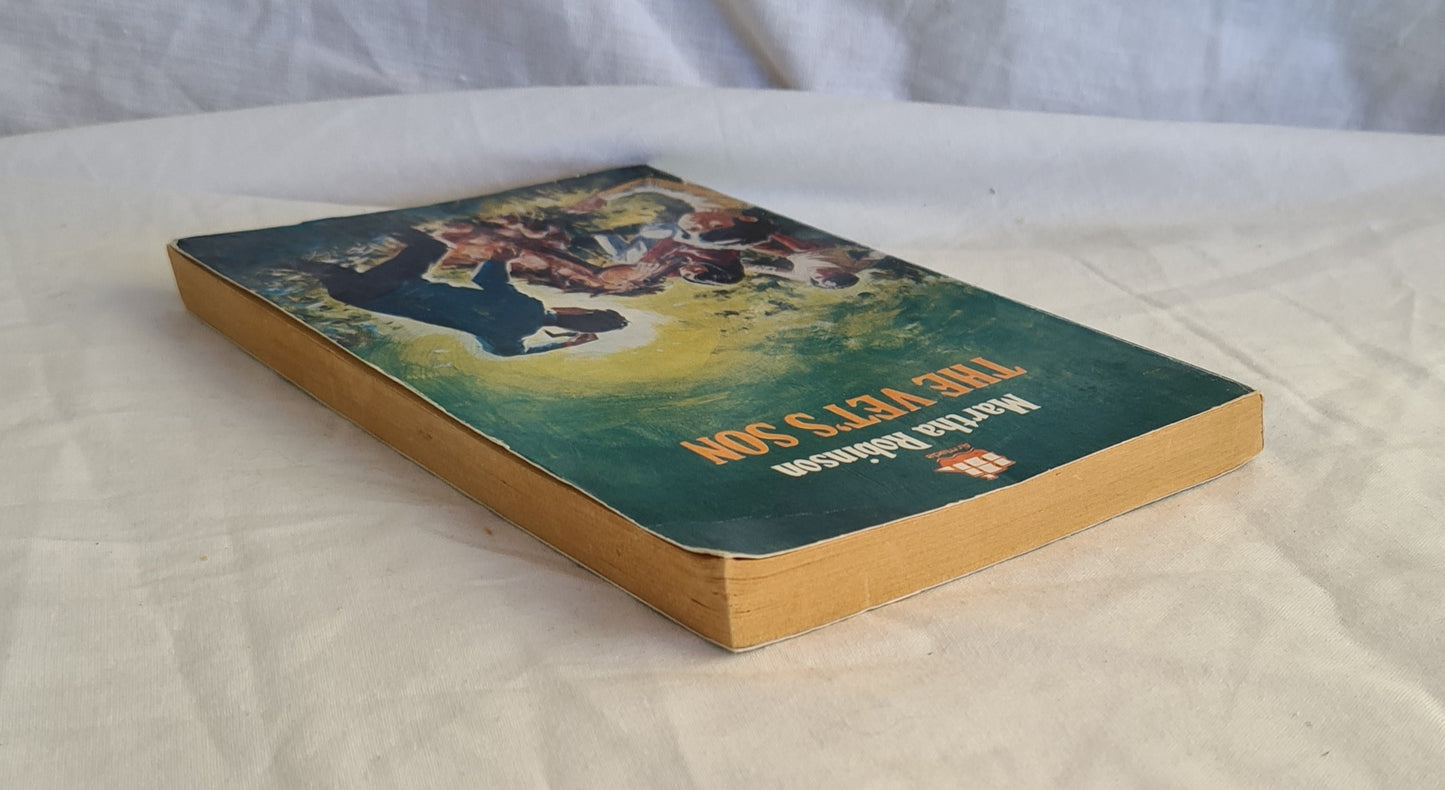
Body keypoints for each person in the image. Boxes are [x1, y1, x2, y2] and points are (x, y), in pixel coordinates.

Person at [300, 227, 626, 356]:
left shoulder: (529, 310)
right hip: (359, 296)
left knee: (431, 246)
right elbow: (512, 354)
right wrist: (564, 343)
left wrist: (500, 259)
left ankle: (377, 222)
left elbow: (489, 281)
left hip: (389, 284)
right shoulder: (512, 336)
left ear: (583, 311)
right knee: (315, 269)